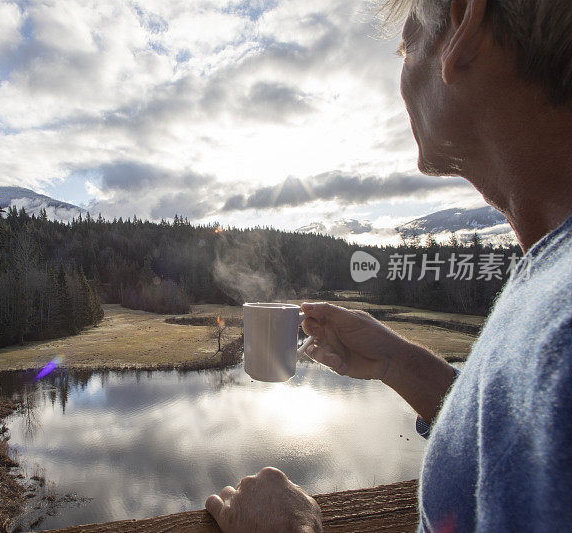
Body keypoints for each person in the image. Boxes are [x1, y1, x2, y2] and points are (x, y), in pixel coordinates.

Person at [205, 0, 572, 530]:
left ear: (464, 22)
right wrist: (399, 363)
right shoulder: (549, 277)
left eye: (406, 44)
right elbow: (519, 430)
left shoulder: (560, 335)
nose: (402, 76)